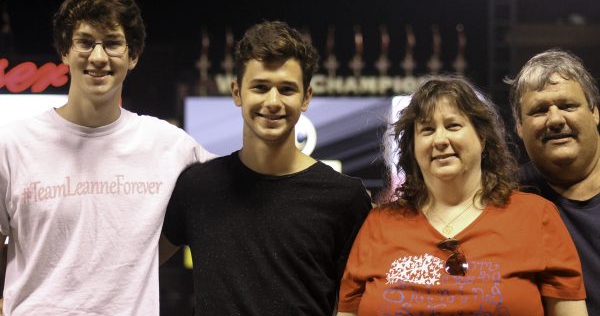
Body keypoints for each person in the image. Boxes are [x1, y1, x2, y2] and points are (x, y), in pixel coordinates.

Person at [0, 0, 213, 315]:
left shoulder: (170, 146)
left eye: (112, 43)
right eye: (85, 42)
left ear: (133, 56)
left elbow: (238, 192)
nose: (98, 57)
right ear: (65, 52)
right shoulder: (12, 146)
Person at [160, 21, 372, 315]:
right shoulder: (198, 187)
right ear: (237, 92)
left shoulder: (345, 198)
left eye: (286, 89)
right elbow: (132, 267)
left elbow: (361, 300)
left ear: (306, 97)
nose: (273, 102)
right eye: (260, 87)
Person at [337, 76, 587, 315]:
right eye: (427, 130)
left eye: (453, 125)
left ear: (482, 138)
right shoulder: (378, 224)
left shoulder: (537, 216)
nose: (440, 140)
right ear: (413, 149)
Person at [507, 49, 600, 315]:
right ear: (519, 127)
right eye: (539, 111)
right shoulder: (503, 197)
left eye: (568, 106)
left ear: (595, 113)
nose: (556, 120)